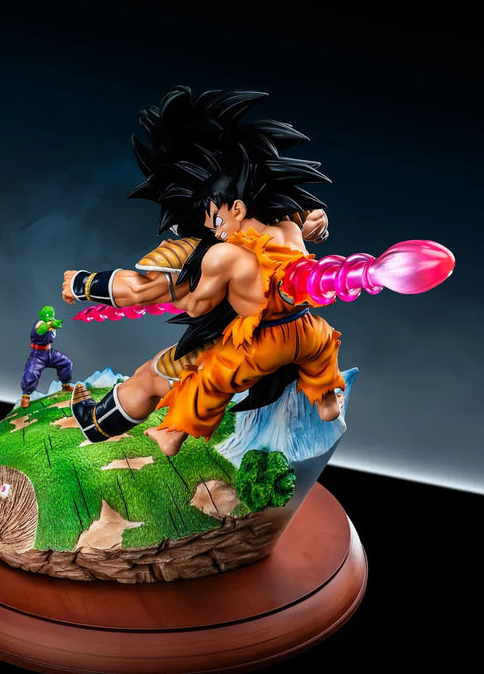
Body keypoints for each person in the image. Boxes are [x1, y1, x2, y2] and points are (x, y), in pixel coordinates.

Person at [62, 87, 344, 454]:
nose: (214, 226)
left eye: (216, 217)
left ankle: (109, 425)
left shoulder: (213, 252)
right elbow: (310, 225)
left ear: (233, 207)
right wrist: (316, 224)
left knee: (161, 375)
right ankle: (326, 400)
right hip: (308, 331)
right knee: (319, 350)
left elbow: (142, 292)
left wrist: (82, 284)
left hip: (251, 345)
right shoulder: (285, 220)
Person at [20, 305, 74, 408]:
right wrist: (50, 324)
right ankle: (26, 396)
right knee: (31, 372)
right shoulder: (39, 323)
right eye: (48, 316)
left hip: (49, 353)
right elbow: (41, 328)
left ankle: (66, 386)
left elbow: (53, 327)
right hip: (37, 355)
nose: (50, 318)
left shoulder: (52, 323)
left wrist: (54, 324)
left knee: (66, 363)